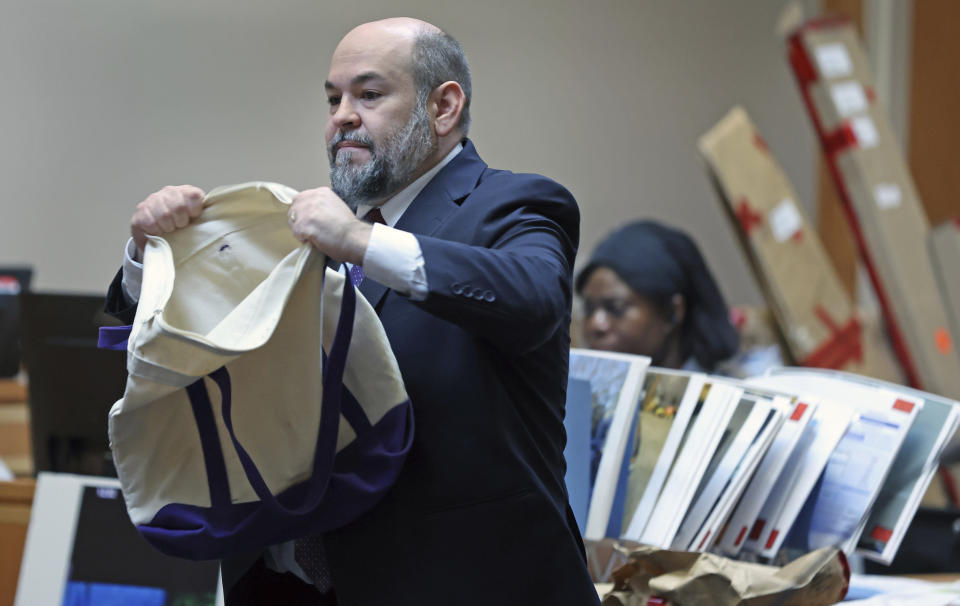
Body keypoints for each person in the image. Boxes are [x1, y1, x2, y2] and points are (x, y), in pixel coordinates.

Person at [104, 17, 599, 606]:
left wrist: (360, 243)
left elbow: (533, 298)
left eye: (368, 94)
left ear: (442, 107)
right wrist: (150, 253)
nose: (341, 115)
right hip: (282, 581)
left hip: (460, 581)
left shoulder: (512, 203)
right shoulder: (313, 228)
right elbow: (178, 350)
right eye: (333, 98)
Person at [575, 220, 741, 372]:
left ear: (671, 312)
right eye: (589, 310)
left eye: (616, 308)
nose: (595, 325)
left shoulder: (721, 399)